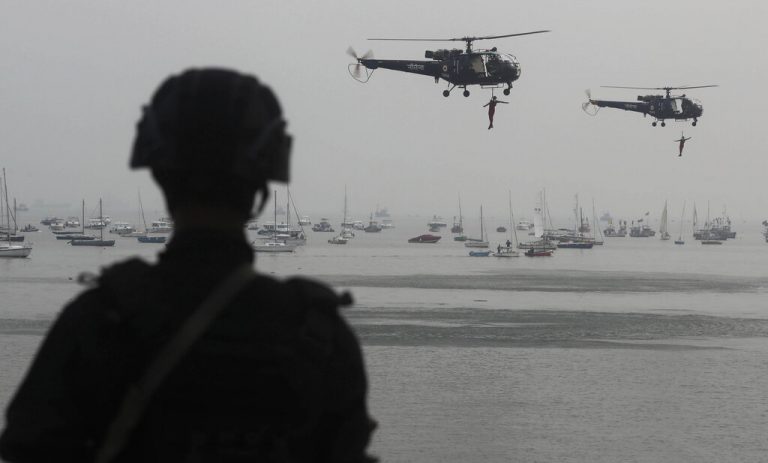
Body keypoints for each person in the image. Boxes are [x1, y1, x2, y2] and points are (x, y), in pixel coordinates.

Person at [0, 68, 376, 463]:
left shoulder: (98, 323)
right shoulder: (318, 336)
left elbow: (31, 447)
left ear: (160, 174)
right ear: (264, 180)